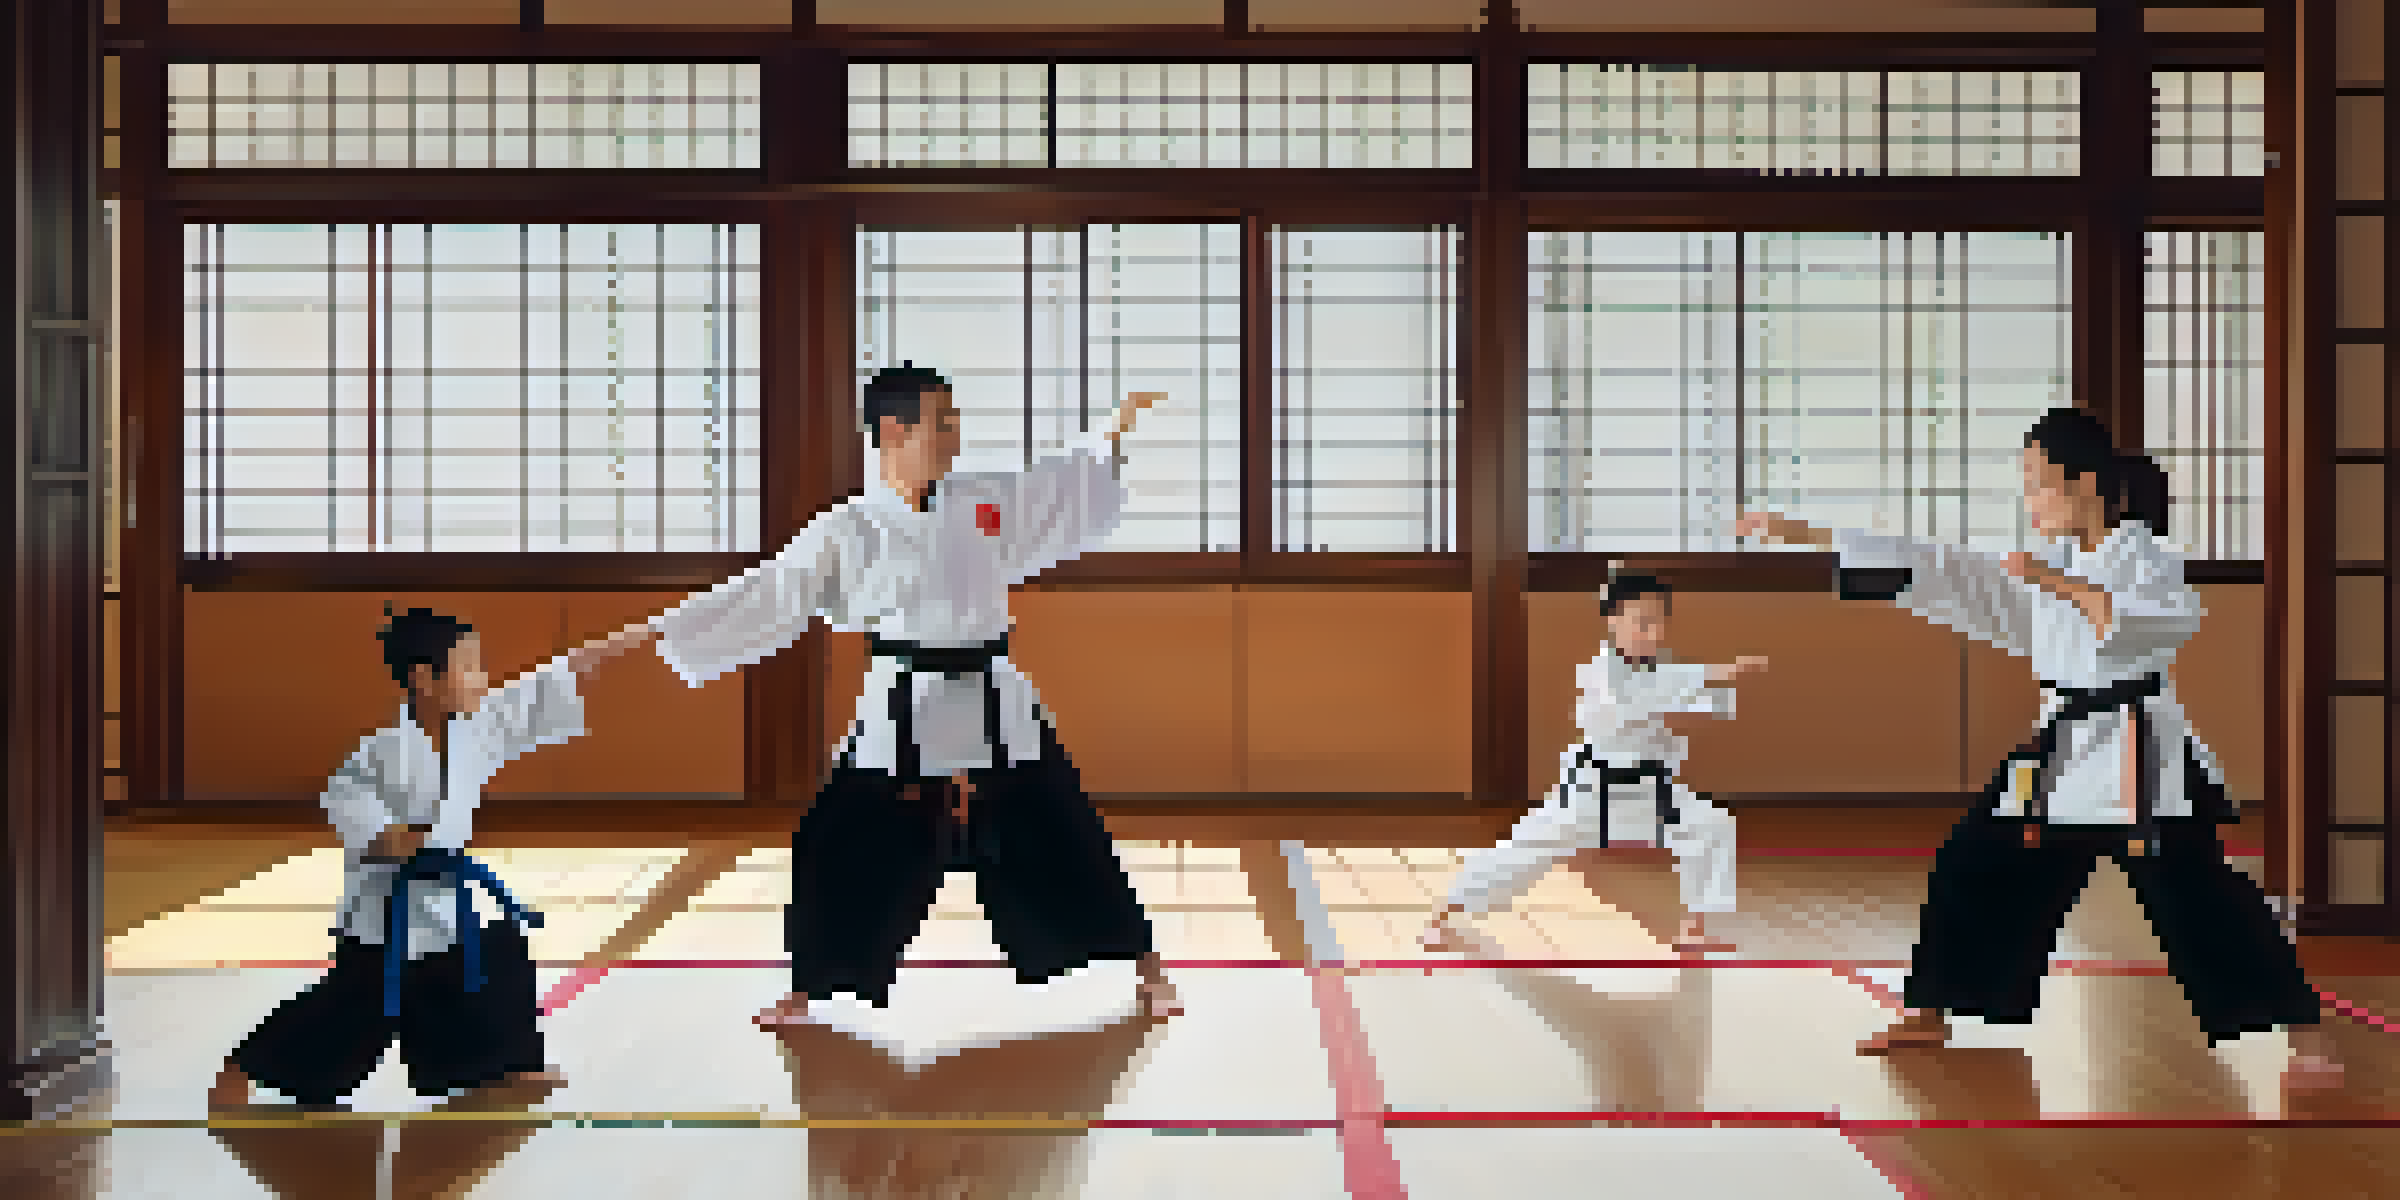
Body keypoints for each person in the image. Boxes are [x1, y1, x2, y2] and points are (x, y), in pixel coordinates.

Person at [1734, 405, 2343, 1091]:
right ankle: (1930, 1011)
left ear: (2086, 482)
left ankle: (2306, 1033)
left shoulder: (2144, 556)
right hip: (2061, 748)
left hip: (2135, 753)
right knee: (1976, 861)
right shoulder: (2050, 558)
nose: (2030, 499)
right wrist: (1804, 534)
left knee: (2195, 896)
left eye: (2038, 481)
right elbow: (1945, 569)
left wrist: (2051, 581)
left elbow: (2146, 626)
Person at [617, 363, 1180, 1028]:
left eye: (954, 418)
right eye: (941, 421)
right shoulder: (849, 528)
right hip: (902, 710)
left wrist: (1112, 431)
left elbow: (1062, 489)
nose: (955, 431)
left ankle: (1149, 969)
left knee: (1067, 830)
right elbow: (773, 593)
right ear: (894, 429)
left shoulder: (983, 500)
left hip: (994, 705)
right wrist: (668, 631)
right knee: (836, 839)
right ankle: (807, 988)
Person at [207, 607, 656, 1110]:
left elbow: (542, 689)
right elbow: (343, 796)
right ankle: (246, 1064)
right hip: (388, 911)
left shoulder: (477, 732)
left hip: (443, 899)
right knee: (353, 1007)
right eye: (469, 666)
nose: (482, 678)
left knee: (498, 956)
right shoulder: (381, 751)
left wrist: (619, 645)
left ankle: (508, 1066)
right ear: (426, 678)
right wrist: (388, 837)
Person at [1423, 572, 1765, 958]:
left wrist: (1713, 694)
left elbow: (1682, 695)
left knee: (1710, 825)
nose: (1652, 633)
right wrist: (1717, 678)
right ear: (1613, 621)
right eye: (1642, 623)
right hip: (1592, 790)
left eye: (1658, 623)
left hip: (1649, 789)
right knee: (1525, 848)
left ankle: (1696, 927)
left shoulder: (1658, 669)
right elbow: (1663, 697)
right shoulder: (1604, 672)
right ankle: (1445, 913)